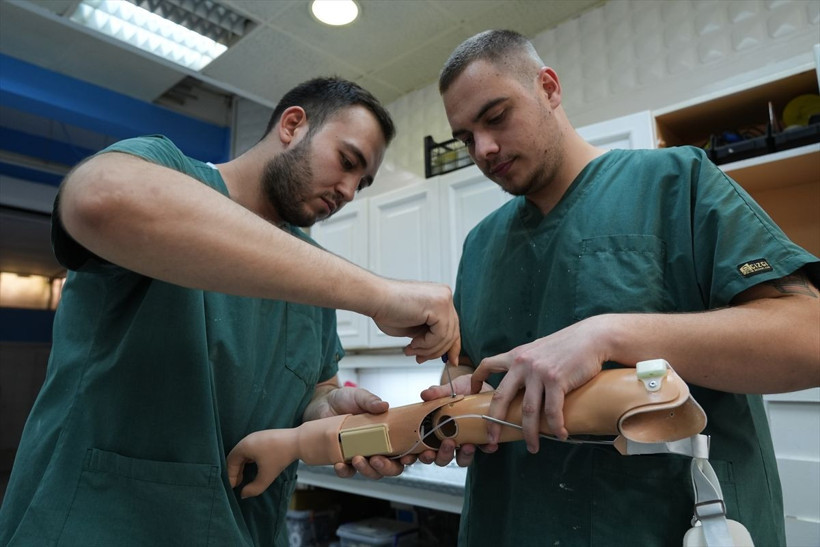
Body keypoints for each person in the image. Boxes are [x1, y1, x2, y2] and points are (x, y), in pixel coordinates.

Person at [0, 77, 460, 546]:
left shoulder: (310, 275)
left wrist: (328, 409)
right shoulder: (169, 170)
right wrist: (380, 294)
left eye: (361, 184)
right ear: (293, 124)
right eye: (346, 161)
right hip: (100, 523)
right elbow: (101, 200)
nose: (347, 191)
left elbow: (310, 391)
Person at [418, 30, 820, 546]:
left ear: (548, 87)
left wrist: (606, 335)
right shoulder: (480, 245)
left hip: (660, 524)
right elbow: (476, 372)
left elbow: (808, 337)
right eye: (466, 137)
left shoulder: (676, 181)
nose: (484, 149)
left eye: (495, 117)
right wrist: (452, 411)